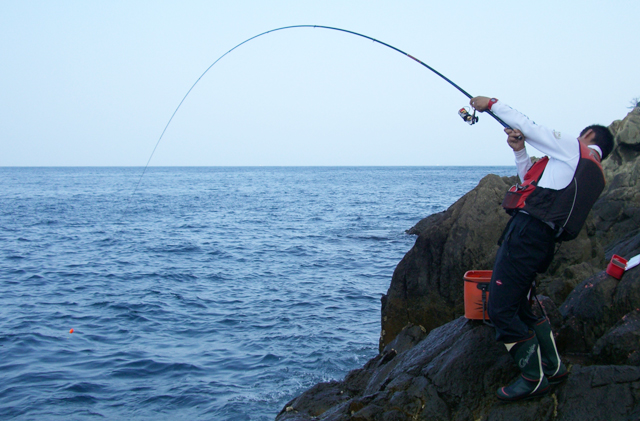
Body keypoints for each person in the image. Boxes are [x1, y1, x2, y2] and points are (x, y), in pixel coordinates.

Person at [469, 96, 614, 401]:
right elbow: (532, 185)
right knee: (521, 304)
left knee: (500, 309)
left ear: (588, 136)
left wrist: (491, 104)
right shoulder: (592, 173)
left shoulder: (578, 149)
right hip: (542, 241)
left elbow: (530, 127)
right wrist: (520, 151)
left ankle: (533, 378)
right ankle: (554, 366)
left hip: (526, 236)